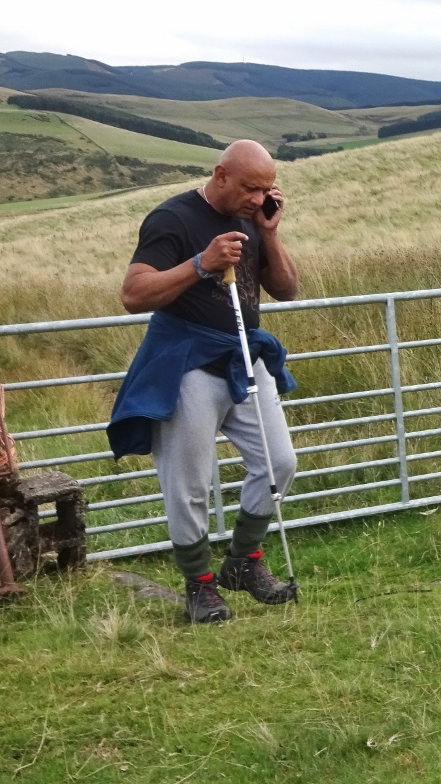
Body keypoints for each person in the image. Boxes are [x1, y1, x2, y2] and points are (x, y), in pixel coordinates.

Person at [106, 139, 301, 623]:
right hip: (186, 359)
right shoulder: (171, 219)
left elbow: (287, 290)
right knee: (189, 482)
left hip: (244, 355)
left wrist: (270, 234)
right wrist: (201, 264)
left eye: (266, 190)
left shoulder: (253, 220)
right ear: (220, 175)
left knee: (279, 462)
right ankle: (200, 585)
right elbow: (133, 294)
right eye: (250, 188)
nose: (258, 199)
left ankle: (243, 562)